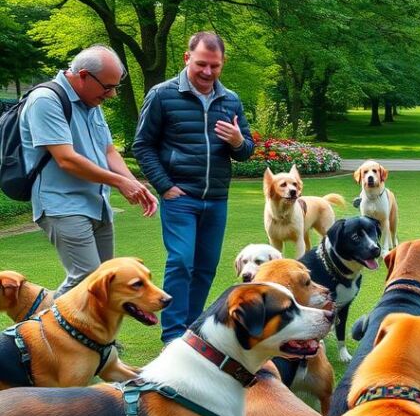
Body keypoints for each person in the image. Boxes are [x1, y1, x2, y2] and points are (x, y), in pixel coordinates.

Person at [133, 31, 254, 343]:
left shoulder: (231, 100)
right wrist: (164, 186)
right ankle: (172, 335)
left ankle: (190, 330)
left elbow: (246, 150)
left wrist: (239, 142)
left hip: (216, 198)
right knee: (181, 262)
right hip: (180, 196)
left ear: (222, 64)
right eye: (201, 64)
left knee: (205, 268)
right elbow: (142, 145)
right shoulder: (162, 95)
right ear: (187, 58)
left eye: (215, 66)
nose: (207, 72)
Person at [20, 45, 158, 295]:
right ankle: (29, 331)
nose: (112, 94)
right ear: (83, 75)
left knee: (105, 283)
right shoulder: (46, 100)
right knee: (87, 281)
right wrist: (119, 182)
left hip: (97, 204)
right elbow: (66, 159)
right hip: (62, 204)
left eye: (116, 87)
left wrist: (133, 184)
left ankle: (101, 336)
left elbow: (108, 151)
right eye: (107, 87)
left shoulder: (92, 103)